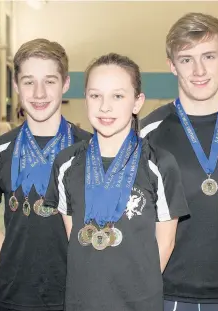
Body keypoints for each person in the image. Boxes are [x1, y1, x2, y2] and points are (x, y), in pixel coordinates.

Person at [43, 53, 190, 311]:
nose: (105, 107)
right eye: (95, 95)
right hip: (82, 301)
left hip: (140, 303)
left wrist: (138, 288)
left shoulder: (160, 164)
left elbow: (165, 243)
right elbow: (73, 236)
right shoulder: (66, 163)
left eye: (118, 96)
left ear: (137, 102)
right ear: (85, 98)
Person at [0, 38, 91, 311]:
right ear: (16, 86)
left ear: (65, 84)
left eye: (49, 81)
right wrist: (17, 262)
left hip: (78, 293)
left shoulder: (90, 149)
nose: (39, 93)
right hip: (16, 295)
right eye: (29, 81)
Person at [140, 12, 218, 311]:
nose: (199, 70)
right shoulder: (146, 134)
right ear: (172, 66)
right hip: (168, 295)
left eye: (208, 56)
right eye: (186, 59)